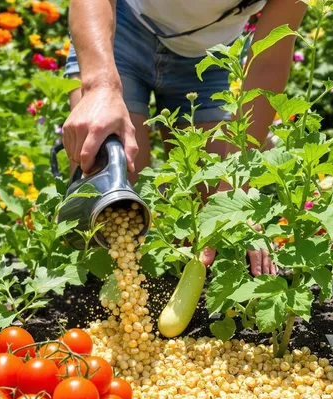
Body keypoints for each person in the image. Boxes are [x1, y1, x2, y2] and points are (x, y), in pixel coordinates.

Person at [62, 0, 307, 275]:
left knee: (214, 225)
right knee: (110, 207)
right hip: (120, 33)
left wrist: (236, 185)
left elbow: (269, 61)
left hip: (209, 60)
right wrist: (100, 86)